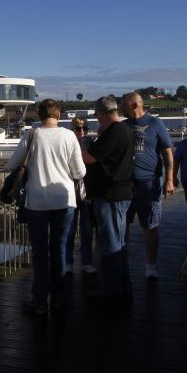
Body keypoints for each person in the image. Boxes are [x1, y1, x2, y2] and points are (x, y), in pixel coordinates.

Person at [7, 99, 85, 314]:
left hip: (37, 203)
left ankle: (39, 301)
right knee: (59, 250)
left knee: (40, 253)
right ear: (58, 114)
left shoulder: (31, 135)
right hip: (64, 201)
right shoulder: (69, 136)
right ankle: (59, 298)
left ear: (39, 115)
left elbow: (12, 165)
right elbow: (80, 173)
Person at [81, 95, 135, 301]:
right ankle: (123, 285)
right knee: (119, 243)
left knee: (111, 243)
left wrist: (85, 144)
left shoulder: (115, 131)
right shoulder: (124, 129)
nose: (97, 119)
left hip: (110, 194)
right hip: (120, 192)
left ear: (103, 113)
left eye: (97, 115)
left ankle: (112, 290)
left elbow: (89, 158)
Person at [121, 92, 174, 279]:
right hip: (127, 185)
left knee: (150, 225)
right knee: (123, 224)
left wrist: (169, 180)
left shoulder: (155, 124)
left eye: (124, 105)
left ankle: (151, 264)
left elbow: (168, 153)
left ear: (135, 105)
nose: (121, 108)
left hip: (149, 183)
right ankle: (121, 262)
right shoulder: (123, 125)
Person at [65, 117, 97, 275]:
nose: (82, 131)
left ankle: (86, 261)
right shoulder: (67, 143)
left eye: (85, 127)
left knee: (87, 229)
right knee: (69, 229)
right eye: (78, 128)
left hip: (88, 191)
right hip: (70, 190)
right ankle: (68, 261)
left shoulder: (92, 143)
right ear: (73, 129)